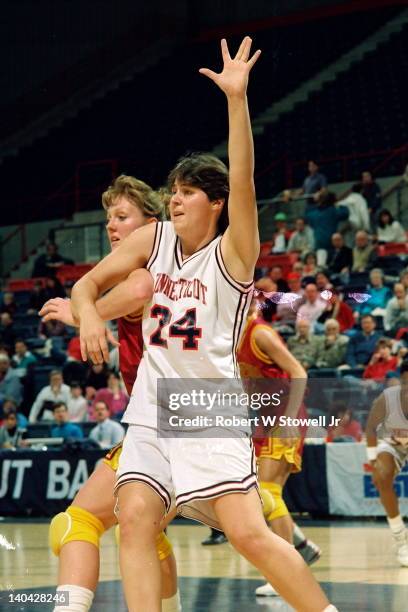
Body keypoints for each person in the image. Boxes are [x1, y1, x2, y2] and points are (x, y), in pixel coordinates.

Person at [70, 37, 335, 612]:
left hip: (207, 407)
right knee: (134, 515)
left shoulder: (233, 254)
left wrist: (236, 101)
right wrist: (87, 313)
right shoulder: (153, 239)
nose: (176, 200)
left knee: (248, 533)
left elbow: (243, 179)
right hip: (150, 411)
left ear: (215, 204)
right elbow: (85, 284)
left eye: (188, 192)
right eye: (174, 192)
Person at [40, 174, 180, 612]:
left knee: (75, 522)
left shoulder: (144, 270)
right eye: (107, 219)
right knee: (145, 530)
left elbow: (139, 288)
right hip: (193, 418)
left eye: (122, 217)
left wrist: (84, 316)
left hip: (168, 425)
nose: (112, 227)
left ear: (150, 224)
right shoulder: (180, 268)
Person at [237, 298, 321, 598]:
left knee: (269, 492)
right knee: (260, 494)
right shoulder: (233, 336)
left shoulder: (260, 333)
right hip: (266, 416)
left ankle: (285, 574)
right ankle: (300, 546)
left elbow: (299, 372)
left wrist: (287, 418)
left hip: (286, 414)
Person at [365, 360, 408, 566]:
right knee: (381, 477)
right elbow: (371, 427)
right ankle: (401, 539)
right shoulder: (387, 398)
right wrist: (373, 459)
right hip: (392, 444)